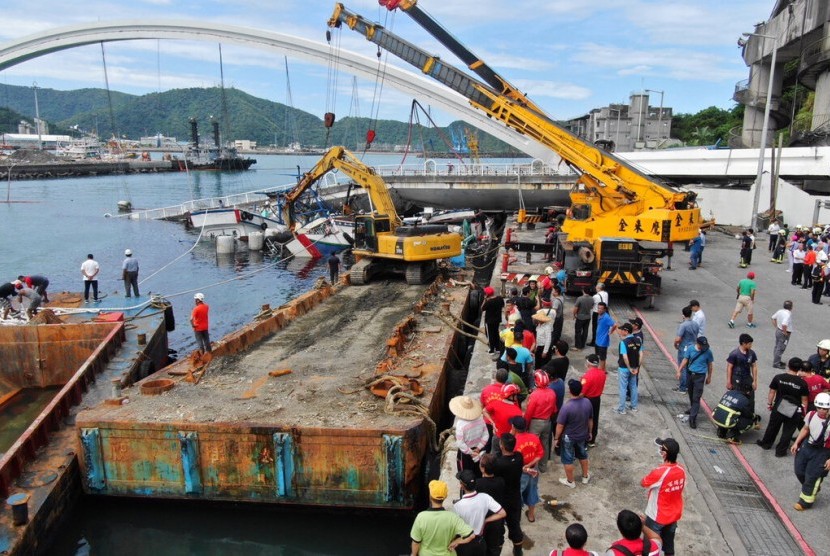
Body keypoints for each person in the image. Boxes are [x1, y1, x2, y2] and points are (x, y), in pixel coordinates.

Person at [756, 357, 809, 457]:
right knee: (788, 431)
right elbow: (804, 400)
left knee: (773, 427)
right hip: (794, 410)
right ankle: (780, 451)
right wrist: (804, 413)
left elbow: (772, 392)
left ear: (789, 365)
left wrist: (769, 404)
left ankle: (766, 444)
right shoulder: (802, 383)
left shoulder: (779, 377)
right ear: (800, 368)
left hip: (779, 407)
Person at [641, 438, 686, 556]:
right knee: (669, 546)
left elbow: (644, 483)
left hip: (657, 516)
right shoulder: (681, 470)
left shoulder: (660, 472)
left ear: (665, 453)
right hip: (673, 515)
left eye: (661, 448)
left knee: (649, 546)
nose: (660, 450)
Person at [410, 479, 475, 556]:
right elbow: (471, 535)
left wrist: (413, 554)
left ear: (430, 496)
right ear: (445, 497)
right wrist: (456, 541)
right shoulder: (453, 517)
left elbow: (416, 542)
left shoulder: (421, 517)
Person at [791, 392, 830, 511]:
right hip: (807, 446)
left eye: (825, 408)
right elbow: (805, 428)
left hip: (823, 451)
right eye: (819, 407)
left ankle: (805, 502)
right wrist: (797, 442)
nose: (822, 410)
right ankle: (812, 487)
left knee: (812, 476)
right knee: (799, 470)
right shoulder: (811, 415)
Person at [453, 470, 506, 556]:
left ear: (462, 486)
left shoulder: (457, 506)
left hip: (464, 543)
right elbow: (502, 513)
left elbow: (454, 528)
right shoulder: (485, 497)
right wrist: (486, 520)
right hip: (480, 542)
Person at [555, 379, 593, 488]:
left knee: (568, 459)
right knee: (583, 455)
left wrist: (556, 438)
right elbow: (590, 419)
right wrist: (590, 432)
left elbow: (560, 425)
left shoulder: (566, 407)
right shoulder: (587, 402)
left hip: (569, 437)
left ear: (570, 391)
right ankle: (585, 476)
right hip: (582, 435)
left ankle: (570, 481)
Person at [492, 433, 525, 556]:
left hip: (501, 499)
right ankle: (518, 551)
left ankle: (497, 551)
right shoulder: (519, 457)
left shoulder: (498, 463)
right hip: (515, 498)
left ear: (501, 446)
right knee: (515, 526)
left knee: (499, 529)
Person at [510, 416, 543, 524]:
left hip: (521, 473)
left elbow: (511, 460)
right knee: (532, 491)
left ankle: (516, 517)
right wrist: (530, 464)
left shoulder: (514, 442)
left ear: (514, 427)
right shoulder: (534, 437)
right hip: (533, 470)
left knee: (516, 494)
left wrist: (524, 467)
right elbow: (539, 454)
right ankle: (531, 515)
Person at [676, 336, 714, 429]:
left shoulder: (708, 352)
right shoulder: (690, 349)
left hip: (700, 376)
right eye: (702, 345)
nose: (704, 347)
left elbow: (710, 365)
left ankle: (692, 418)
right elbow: (685, 359)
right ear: (698, 343)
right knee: (691, 393)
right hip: (690, 374)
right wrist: (679, 370)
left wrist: (709, 376)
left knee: (696, 397)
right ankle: (693, 408)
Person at [524, 370, 557, 472]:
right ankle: (543, 467)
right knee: (545, 445)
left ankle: (530, 466)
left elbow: (529, 412)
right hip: (547, 422)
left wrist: (526, 424)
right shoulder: (552, 392)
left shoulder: (535, 395)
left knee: (531, 445)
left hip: (535, 423)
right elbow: (554, 409)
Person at [476, 454, 507, 556]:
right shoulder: (501, 481)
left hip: (483, 521)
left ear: (483, 468)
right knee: (494, 548)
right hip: (497, 520)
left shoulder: (478, 484)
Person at [451, 395, 489, 478]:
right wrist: (478, 448)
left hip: (466, 452)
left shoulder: (460, 425)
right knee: (478, 470)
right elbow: (486, 435)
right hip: (478, 450)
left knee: (465, 472)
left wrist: (471, 452)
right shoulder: (481, 419)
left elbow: (460, 443)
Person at [483, 384, 523, 455]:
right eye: (515, 395)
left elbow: (484, 411)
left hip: (497, 437)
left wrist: (492, 423)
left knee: (494, 456)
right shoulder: (518, 411)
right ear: (511, 396)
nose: (516, 397)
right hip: (509, 441)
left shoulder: (495, 404)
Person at [726, 333, 759, 418]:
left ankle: (750, 417)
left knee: (751, 398)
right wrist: (729, 382)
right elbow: (729, 367)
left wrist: (754, 381)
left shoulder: (752, 353)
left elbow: (754, 366)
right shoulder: (734, 354)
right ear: (744, 343)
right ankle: (734, 416)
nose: (751, 345)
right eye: (749, 344)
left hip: (747, 378)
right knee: (737, 397)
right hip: (736, 379)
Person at [580, 353, 607, 447]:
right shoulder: (603, 374)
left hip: (587, 400)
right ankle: (592, 440)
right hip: (597, 399)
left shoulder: (586, 376)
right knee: (594, 419)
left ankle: (584, 441)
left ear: (588, 364)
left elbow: (582, 393)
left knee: (585, 420)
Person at [615, 323, 642, 414]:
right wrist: (637, 367)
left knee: (623, 388)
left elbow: (625, 357)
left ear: (626, 331)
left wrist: (629, 367)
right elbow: (641, 355)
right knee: (633, 387)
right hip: (635, 368)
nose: (621, 331)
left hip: (624, 368)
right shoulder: (638, 341)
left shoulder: (623, 342)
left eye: (622, 330)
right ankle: (634, 407)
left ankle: (621, 409)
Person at [672, 306, 699, 392]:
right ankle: (688, 385)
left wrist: (675, 344)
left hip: (684, 348)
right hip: (693, 348)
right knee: (689, 368)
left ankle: (682, 387)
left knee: (682, 367)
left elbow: (678, 338)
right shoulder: (695, 324)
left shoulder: (683, 325)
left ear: (683, 315)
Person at [481, 287, 505, 356]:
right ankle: (497, 349)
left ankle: (491, 350)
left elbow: (482, 308)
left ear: (487, 294)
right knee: (496, 333)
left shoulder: (488, 302)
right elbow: (503, 305)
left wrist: (485, 299)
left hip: (489, 321)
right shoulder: (500, 299)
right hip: (497, 320)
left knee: (490, 335)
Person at [770, 300, 794, 369]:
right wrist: (785, 332)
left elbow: (773, 318)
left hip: (778, 330)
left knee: (777, 346)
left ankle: (777, 360)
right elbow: (784, 324)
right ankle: (776, 363)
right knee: (781, 348)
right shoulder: (788, 314)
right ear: (791, 307)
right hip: (783, 332)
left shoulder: (780, 311)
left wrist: (777, 326)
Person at [593, 302, 615, 371]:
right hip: (597, 340)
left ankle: (600, 372)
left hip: (603, 342)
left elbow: (614, 325)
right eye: (598, 308)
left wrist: (610, 332)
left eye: (601, 309)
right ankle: (603, 370)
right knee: (600, 356)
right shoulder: (599, 315)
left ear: (605, 310)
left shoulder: (606, 317)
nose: (599, 310)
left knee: (602, 358)